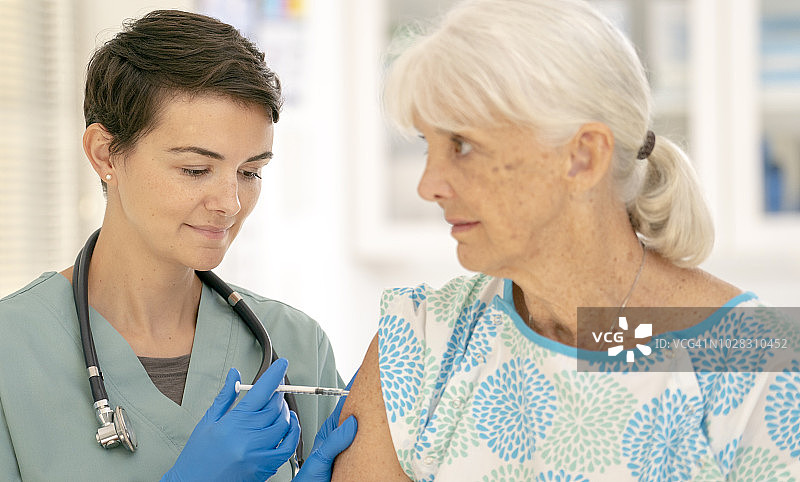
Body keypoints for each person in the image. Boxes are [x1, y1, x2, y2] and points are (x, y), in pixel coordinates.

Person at [332, 0, 800, 480]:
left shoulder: (761, 370)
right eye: (426, 147)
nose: (428, 184)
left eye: (463, 145)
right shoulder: (422, 342)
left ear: (583, 156)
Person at [0, 10, 355, 481]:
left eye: (250, 172)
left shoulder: (297, 345)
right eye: (195, 170)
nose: (230, 203)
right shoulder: (12, 351)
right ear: (105, 154)